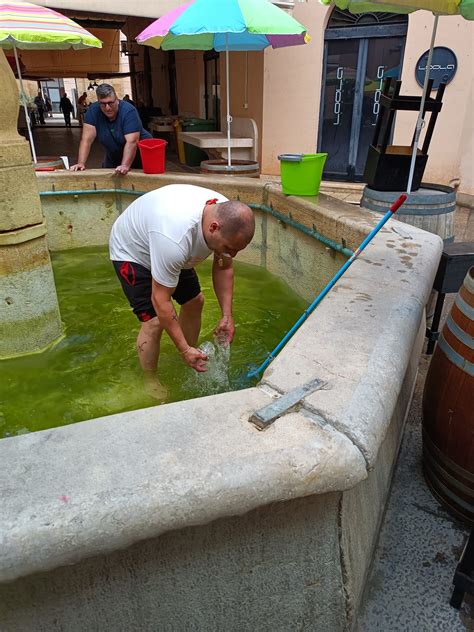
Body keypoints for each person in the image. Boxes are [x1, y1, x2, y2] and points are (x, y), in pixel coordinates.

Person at [109, 184, 255, 394]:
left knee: (195, 302)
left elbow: (224, 266)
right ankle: (150, 379)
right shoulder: (175, 239)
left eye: (237, 249)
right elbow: (161, 300)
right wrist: (183, 348)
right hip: (134, 251)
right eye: (229, 248)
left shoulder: (224, 214)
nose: (232, 254)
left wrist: (227, 315)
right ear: (213, 227)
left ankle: (189, 357)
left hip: (169, 244)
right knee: (154, 321)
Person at [70, 83, 152, 175]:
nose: (107, 108)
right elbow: (86, 140)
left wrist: (124, 165)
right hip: (114, 155)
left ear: (116, 99)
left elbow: (132, 142)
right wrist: (81, 163)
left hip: (141, 155)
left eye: (110, 103)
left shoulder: (129, 111)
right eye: (103, 104)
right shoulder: (93, 111)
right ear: (98, 101)